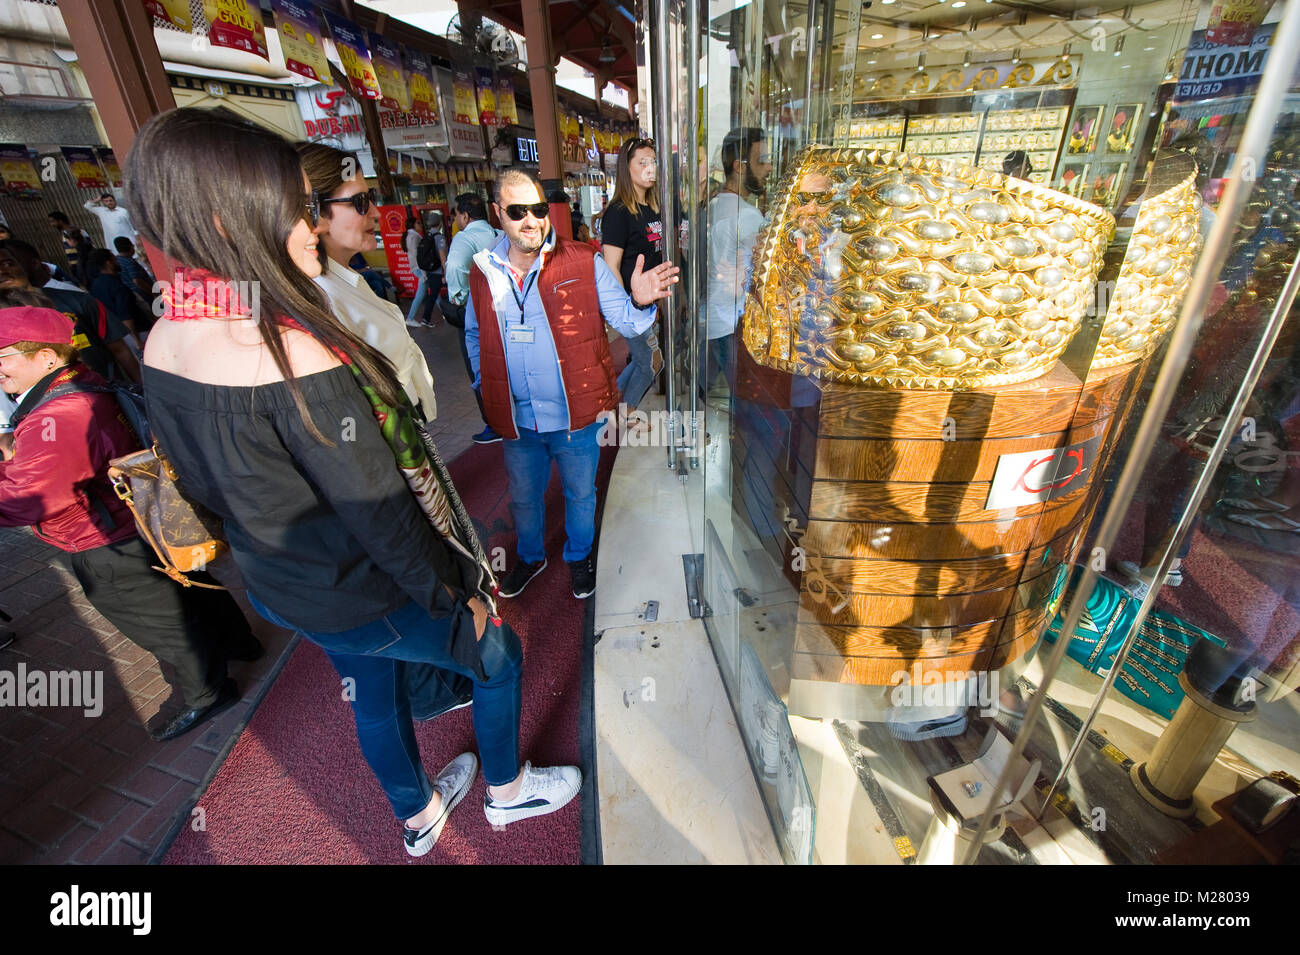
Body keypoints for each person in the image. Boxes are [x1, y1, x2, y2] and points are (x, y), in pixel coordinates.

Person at [125, 107, 581, 854]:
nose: (310, 227)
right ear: (229, 216)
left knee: (374, 687)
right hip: (372, 583)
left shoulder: (166, 333)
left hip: (287, 585)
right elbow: (383, 514)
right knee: (498, 653)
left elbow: (199, 489)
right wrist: (458, 594)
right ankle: (506, 792)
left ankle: (418, 810)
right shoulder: (293, 352)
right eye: (294, 210)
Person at [0, 305, 262, 740]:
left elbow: (30, 498)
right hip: (141, 519)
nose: (0, 371)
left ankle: (208, 692)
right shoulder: (83, 383)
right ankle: (241, 645)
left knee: (161, 621)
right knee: (191, 590)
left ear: (46, 357)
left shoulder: (55, 417)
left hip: (104, 539)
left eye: (4, 357)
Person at [466, 168, 680, 600]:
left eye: (539, 209)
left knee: (580, 493)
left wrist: (639, 299)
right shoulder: (482, 271)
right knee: (524, 498)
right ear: (497, 213)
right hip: (518, 419)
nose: (531, 220)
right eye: (517, 211)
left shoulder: (584, 260)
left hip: (575, 414)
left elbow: (625, 318)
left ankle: (579, 556)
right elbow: (474, 333)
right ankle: (530, 557)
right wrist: (482, 381)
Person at [297, 143, 438, 422]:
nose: (376, 212)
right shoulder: (319, 297)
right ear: (315, 212)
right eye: (360, 202)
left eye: (371, 198)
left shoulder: (347, 279)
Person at [0, 239, 140, 384]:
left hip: (104, 393)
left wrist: (143, 391)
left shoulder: (78, 301)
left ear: (22, 265)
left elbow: (120, 349)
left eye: (8, 264)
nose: (2, 271)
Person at [600, 138, 666, 426]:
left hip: (650, 303)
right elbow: (610, 266)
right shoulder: (618, 212)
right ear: (627, 169)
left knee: (646, 360)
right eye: (643, 162)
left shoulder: (650, 207)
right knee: (652, 362)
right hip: (632, 305)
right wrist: (626, 310)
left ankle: (614, 398)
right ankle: (626, 413)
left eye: (653, 162)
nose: (650, 168)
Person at [703, 127, 771, 400]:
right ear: (739, 167)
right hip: (731, 325)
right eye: (762, 160)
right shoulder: (748, 216)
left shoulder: (713, 206)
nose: (769, 167)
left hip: (712, 319)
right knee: (747, 403)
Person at [442, 191, 502, 445]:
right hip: (500, 309)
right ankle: (507, 416)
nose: (456, 219)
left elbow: (454, 267)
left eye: (456, 214)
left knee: (477, 362)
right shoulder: (498, 235)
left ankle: (493, 424)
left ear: (464, 215)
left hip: (474, 312)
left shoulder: (464, 237)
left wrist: (460, 297)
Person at [85, 248, 153, 338]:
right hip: (138, 332)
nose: (117, 262)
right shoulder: (116, 285)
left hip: (117, 334)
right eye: (114, 260)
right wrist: (136, 340)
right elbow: (125, 314)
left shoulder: (95, 286)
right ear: (108, 263)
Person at [402, 215, 436, 327]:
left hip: (418, 268)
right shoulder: (414, 236)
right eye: (418, 223)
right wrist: (423, 271)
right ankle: (410, 317)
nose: (420, 225)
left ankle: (444, 312)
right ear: (413, 225)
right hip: (420, 268)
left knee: (434, 290)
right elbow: (417, 255)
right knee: (422, 293)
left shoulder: (411, 235)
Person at [48, 210, 92, 284]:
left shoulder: (72, 232)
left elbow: (86, 246)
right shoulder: (68, 232)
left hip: (83, 265)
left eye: (53, 221)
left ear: (60, 221)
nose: (51, 224)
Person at [113, 236, 156, 304]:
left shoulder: (117, 260)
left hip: (134, 294)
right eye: (132, 245)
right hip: (144, 295)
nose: (133, 246)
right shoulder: (130, 262)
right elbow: (137, 281)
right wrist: (152, 292)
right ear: (128, 247)